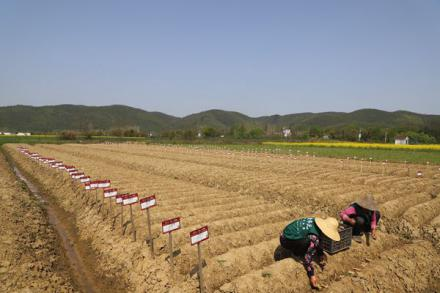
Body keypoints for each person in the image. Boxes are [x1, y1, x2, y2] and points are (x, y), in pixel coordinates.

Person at [279, 216, 340, 289]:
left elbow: (318, 240)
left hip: (286, 233)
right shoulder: (313, 237)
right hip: (285, 240)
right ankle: (296, 253)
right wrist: (311, 275)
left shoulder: (315, 221)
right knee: (307, 242)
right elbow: (307, 257)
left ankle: (298, 246)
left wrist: (320, 253)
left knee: (312, 241)